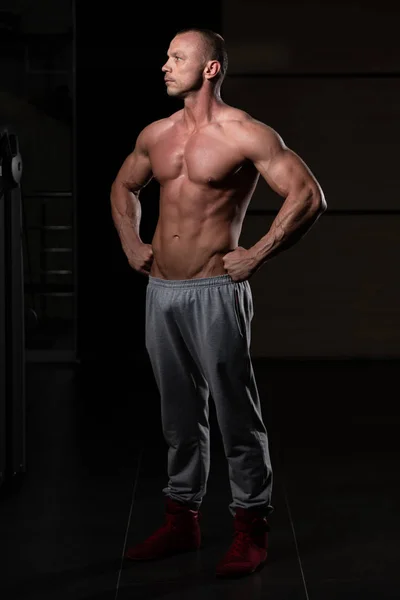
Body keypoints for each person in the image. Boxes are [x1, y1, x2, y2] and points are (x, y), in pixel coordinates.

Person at [110, 28, 326, 578]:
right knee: (178, 417)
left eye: (177, 57)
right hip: (162, 292)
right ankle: (182, 522)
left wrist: (257, 253)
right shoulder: (156, 133)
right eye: (165, 56)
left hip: (215, 292)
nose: (164, 65)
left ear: (209, 69)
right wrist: (133, 243)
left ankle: (250, 527)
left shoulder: (244, 133)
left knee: (234, 412)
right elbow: (123, 187)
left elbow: (307, 195)